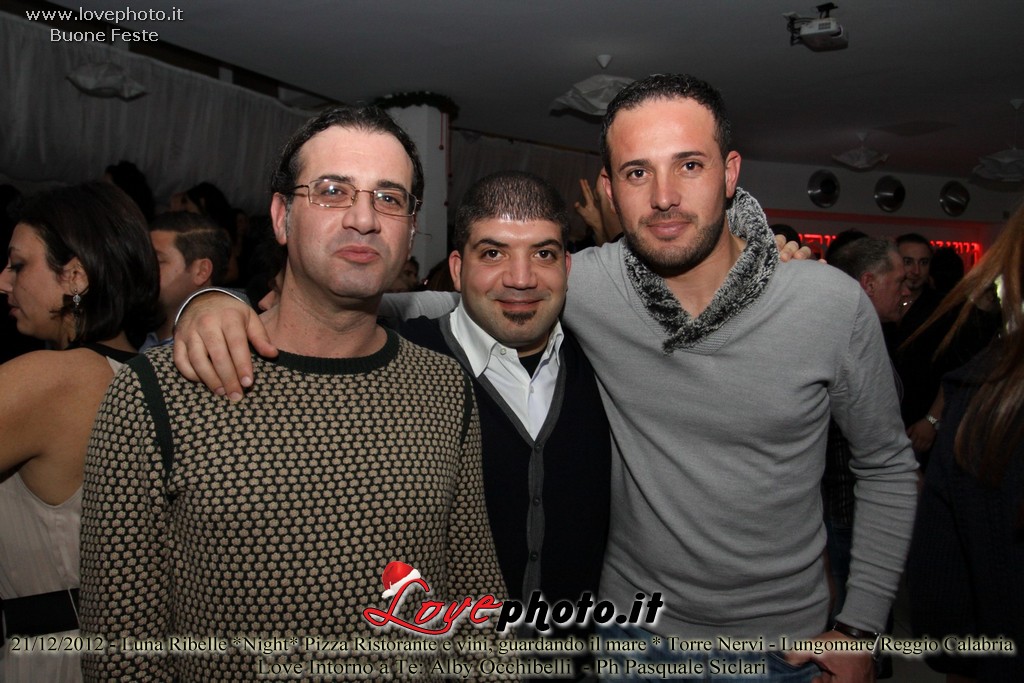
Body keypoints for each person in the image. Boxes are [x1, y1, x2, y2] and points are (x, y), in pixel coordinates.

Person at [173, 74, 918, 682]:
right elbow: (426, 298)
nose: (663, 195)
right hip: (630, 639)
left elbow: (886, 462)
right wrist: (213, 303)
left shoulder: (827, 304)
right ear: (611, 189)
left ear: (728, 173)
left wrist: (860, 627)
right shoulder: (582, 281)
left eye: (688, 165)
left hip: (785, 648)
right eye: (638, 172)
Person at [79, 106, 510, 681]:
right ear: (282, 217)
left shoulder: (444, 387)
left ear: (411, 229)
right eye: (332, 191)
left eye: (389, 198)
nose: (364, 218)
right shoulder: (157, 393)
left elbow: (475, 599)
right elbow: (123, 653)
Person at [399, 170, 610, 604]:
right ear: (458, 269)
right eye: (493, 253)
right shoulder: (401, 360)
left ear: (567, 267)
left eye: (543, 254)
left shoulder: (603, 362)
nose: (521, 278)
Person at [0, 182, 160, 683]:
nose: (3, 282)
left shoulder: (51, 380)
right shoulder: (150, 378)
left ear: (74, 276)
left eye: (18, 265)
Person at [906, 203, 1024, 682]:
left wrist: (936, 419)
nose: (913, 273)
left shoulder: (983, 399)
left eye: (921, 263)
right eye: (906, 263)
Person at [143, 211, 232, 350]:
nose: (146, 269)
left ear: (201, 271)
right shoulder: (139, 334)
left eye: (158, 261)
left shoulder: (214, 348)